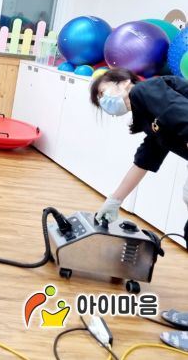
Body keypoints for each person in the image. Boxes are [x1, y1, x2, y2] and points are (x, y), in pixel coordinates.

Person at [90, 67, 188, 352]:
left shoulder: (146, 91)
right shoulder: (148, 114)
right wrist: (114, 200)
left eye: (103, 92)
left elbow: (184, 117)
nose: (104, 101)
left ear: (123, 82)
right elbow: (146, 158)